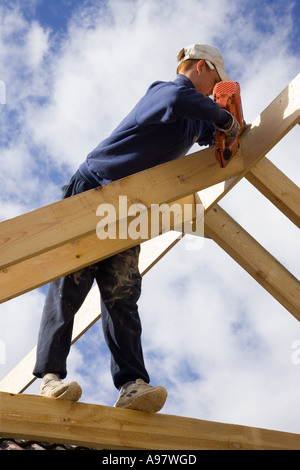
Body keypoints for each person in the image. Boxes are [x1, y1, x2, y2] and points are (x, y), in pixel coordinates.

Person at [33, 44, 240, 413]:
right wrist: (222, 116)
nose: (213, 89)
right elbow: (180, 99)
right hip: (96, 187)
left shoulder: (195, 118)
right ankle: (49, 378)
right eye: (214, 80)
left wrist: (226, 126)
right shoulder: (165, 91)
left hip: (130, 207)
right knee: (71, 282)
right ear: (199, 66)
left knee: (123, 294)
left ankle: (131, 384)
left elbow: (209, 134)